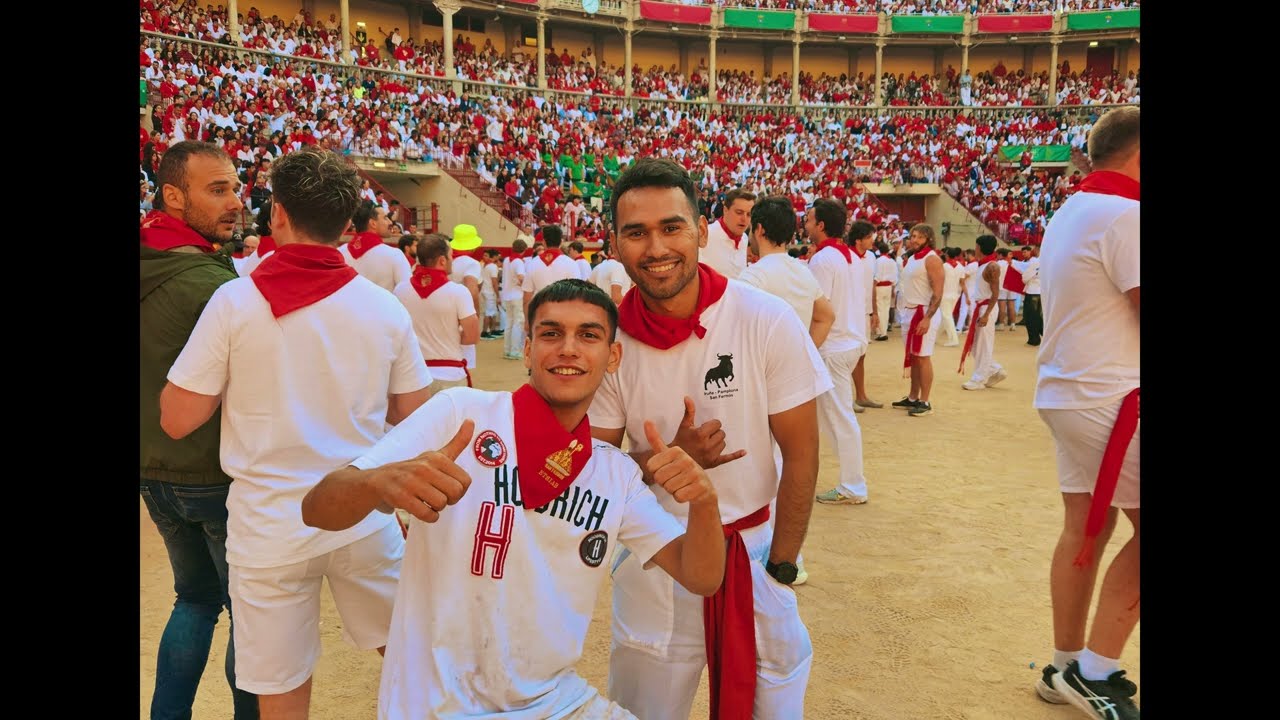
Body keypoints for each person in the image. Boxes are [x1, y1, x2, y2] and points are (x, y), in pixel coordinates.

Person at [300, 279, 728, 718]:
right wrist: (377, 483)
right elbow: (317, 507)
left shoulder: (614, 474)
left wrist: (705, 504)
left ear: (612, 357)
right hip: (439, 707)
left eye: (589, 335)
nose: (568, 348)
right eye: (550, 333)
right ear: (527, 350)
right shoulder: (461, 415)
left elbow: (701, 577)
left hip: (556, 703)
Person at [159, 147, 433, 719]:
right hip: (361, 508)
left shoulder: (234, 300)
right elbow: (415, 415)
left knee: (280, 689)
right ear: (346, 223)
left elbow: (178, 417)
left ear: (278, 214)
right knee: (414, 659)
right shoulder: (383, 308)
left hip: (269, 523)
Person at [589, 159, 829, 719]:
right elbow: (595, 467)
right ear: (616, 244)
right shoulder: (609, 340)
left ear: (701, 231)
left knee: (774, 694)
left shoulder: (762, 319)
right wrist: (663, 461)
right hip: (655, 556)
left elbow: (803, 454)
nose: (655, 247)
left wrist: (782, 566)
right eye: (636, 232)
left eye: (671, 227)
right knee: (646, 708)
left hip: (755, 550)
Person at [140, 140, 259, 720]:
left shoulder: (162, 259)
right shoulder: (211, 283)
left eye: (235, 187)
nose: (235, 201)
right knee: (249, 611)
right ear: (173, 195)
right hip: (212, 469)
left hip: (153, 468)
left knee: (193, 599)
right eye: (218, 190)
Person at [1035, 106, 1140, 720]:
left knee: (1085, 528)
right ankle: (1096, 670)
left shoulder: (1072, 209)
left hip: (1074, 390)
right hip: (1113, 394)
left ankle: (1065, 663)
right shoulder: (1128, 215)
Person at [803, 199, 871, 506]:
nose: (804, 224)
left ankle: (853, 485)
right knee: (829, 418)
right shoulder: (852, 257)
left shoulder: (823, 260)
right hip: (851, 341)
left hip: (833, 345)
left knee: (839, 418)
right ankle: (848, 481)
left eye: (808, 220)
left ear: (820, 225)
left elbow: (819, 308)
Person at [394, 233, 480, 395]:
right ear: (442, 260)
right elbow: (472, 336)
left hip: (413, 372)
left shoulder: (400, 289)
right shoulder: (458, 292)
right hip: (449, 374)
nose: (452, 260)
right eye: (450, 256)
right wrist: (450, 335)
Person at [891, 224, 945, 417]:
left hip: (923, 314)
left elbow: (938, 293)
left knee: (922, 357)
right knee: (914, 356)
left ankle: (925, 400)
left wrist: (927, 318)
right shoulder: (913, 258)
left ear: (928, 239)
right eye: (913, 236)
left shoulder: (932, 260)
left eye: (919, 237)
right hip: (909, 312)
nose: (914, 240)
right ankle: (913, 397)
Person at [958, 235, 1008, 391]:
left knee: (983, 345)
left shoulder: (992, 266)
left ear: (980, 247)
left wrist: (986, 314)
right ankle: (995, 370)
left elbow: (995, 293)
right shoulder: (981, 265)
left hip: (986, 308)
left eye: (976, 245)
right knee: (975, 345)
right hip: (980, 307)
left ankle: (979, 379)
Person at [848, 221, 884, 411]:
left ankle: (861, 395)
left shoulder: (871, 257)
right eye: (869, 237)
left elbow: (872, 285)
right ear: (858, 238)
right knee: (846, 354)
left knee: (861, 354)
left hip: (864, 312)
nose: (873, 240)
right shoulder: (845, 256)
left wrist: (875, 311)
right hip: (847, 312)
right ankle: (847, 398)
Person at [341, 201, 412, 293]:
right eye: (385, 218)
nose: (390, 222)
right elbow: (406, 293)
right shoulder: (394, 254)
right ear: (373, 223)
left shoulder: (340, 252)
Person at [522, 224, 580, 319]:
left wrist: (527, 321)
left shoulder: (533, 263)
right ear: (561, 242)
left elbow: (526, 298)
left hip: (540, 315)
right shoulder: (571, 264)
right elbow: (577, 295)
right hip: (564, 315)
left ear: (544, 242)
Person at [449, 224, 484, 374]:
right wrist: (475, 314)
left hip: (446, 311)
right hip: (463, 313)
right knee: (466, 362)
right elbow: (472, 288)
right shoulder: (471, 263)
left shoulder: (448, 260)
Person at [698, 188, 755, 279]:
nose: (744, 219)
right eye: (739, 212)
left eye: (749, 214)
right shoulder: (706, 235)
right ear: (725, 210)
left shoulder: (744, 238)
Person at [500, 239, 529, 360]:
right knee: (518, 323)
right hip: (517, 295)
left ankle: (507, 349)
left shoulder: (507, 260)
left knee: (509, 322)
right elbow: (521, 277)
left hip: (507, 294)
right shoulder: (518, 262)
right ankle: (515, 350)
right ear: (524, 249)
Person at [872, 240, 897, 341]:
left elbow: (876, 275)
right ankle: (883, 330)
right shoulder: (892, 261)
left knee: (880, 309)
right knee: (885, 309)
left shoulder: (878, 261)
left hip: (879, 286)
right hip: (889, 286)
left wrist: (874, 285)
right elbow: (895, 277)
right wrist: (893, 288)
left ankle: (881, 332)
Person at [1020, 244, 1043, 346]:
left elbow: (1025, 278)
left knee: (1030, 317)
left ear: (1038, 249)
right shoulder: (1051, 261)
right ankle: (1041, 335)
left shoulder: (1036, 262)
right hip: (1043, 291)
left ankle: (1034, 339)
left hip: (1032, 291)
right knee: (1039, 316)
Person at [480, 249, 502, 339]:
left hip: (485, 291)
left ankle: (492, 330)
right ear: (495, 257)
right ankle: (484, 331)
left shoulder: (484, 266)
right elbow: (494, 282)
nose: (484, 257)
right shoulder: (492, 266)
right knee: (489, 312)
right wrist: (498, 295)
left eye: (486, 255)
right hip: (489, 292)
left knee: (492, 311)